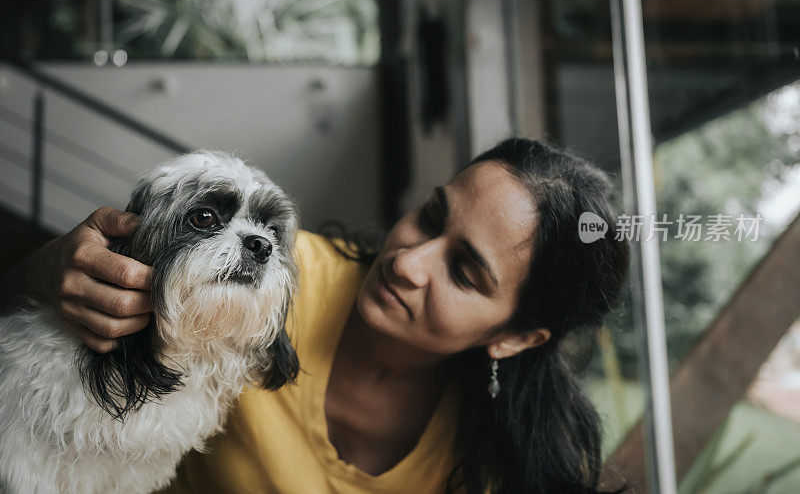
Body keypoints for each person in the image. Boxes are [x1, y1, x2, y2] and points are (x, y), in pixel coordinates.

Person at [2, 138, 629, 493]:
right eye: (432, 217)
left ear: (517, 336)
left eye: (463, 272)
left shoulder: (494, 464)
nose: (409, 261)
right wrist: (46, 271)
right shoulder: (259, 270)